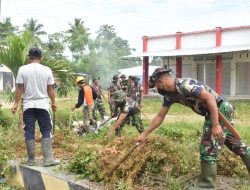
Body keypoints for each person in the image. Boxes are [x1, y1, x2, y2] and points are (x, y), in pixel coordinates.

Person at [136, 67, 250, 189]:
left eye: (157, 86)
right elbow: (160, 116)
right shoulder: (170, 96)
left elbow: (210, 98)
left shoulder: (186, 85)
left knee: (208, 150)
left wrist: (216, 125)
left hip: (219, 110)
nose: (158, 89)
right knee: (238, 146)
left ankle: (206, 186)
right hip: (215, 113)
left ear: (160, 82)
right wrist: (144, 134)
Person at [11, 47, 59, 167]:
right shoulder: (47, 70)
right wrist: (53, 102)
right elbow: (50, 89)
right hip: (43, 105)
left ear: (29, 57)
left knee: (29, 131)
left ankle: (31, 160)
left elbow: (20, 88)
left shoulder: (23, 69)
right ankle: (48, 159)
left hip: (28, 106)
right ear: (40, 58)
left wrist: (15, 104)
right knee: (46, 130)